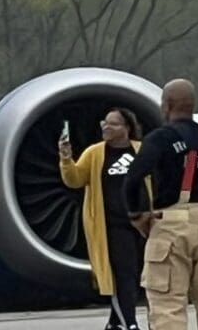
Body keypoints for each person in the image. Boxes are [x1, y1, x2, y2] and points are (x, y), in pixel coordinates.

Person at [123, 79, 198, 330]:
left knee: (168, 308)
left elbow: (132, 180)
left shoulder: (160, 139)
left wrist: (136, 216)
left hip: (172, 225)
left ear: (167, 105)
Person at [59, 108, 151, 330]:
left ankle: (114, 323)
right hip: (112, 226)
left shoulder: (142, 150)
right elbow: (75, 180)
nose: (106, 127)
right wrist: (66, 159)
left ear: (127, 128)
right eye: (105, 123)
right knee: (123, 275)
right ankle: (129, 322)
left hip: (144, 224)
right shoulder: (95, 153)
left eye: (113, 124)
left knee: (136, 273)